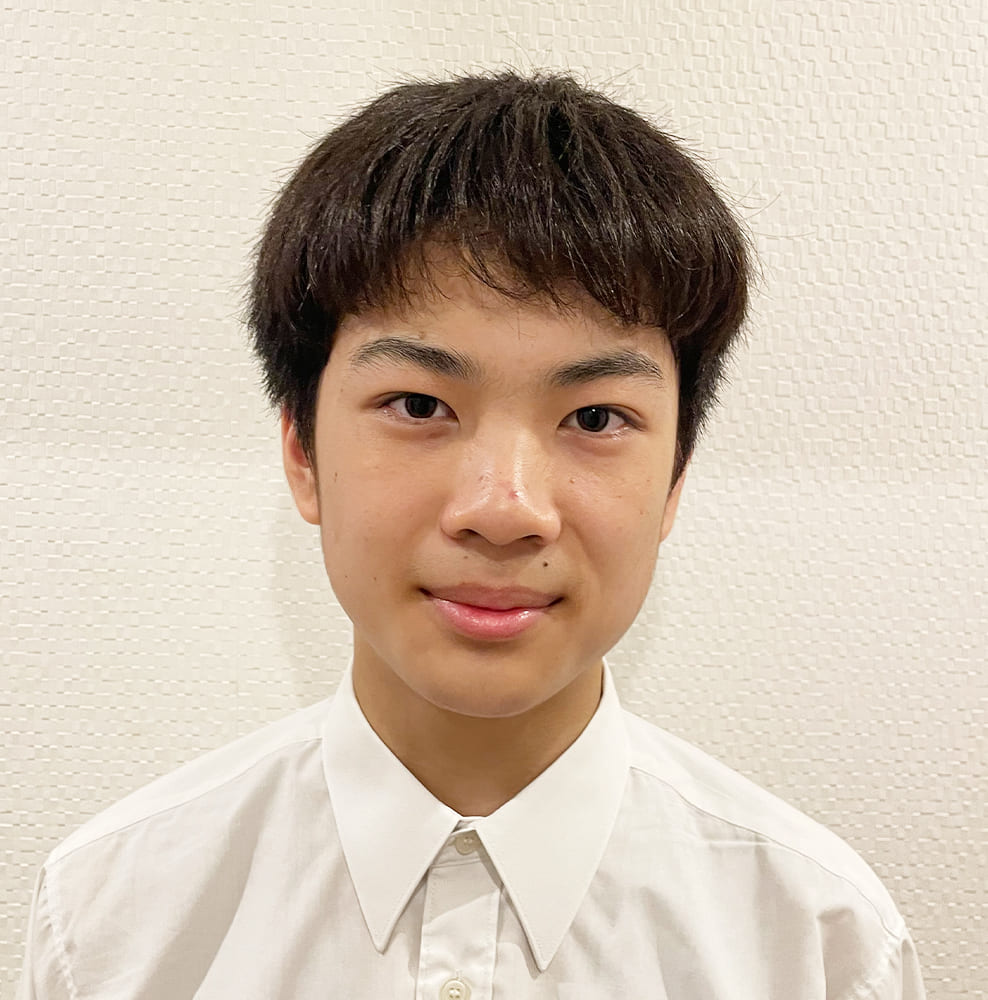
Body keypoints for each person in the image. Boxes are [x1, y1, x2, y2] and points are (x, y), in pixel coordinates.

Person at [18, 71, 925, 998]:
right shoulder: (110, 920)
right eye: (419, 405)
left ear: (675, 479)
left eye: (596, 417)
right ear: (301, 450)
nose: (504, 508)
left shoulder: (820, 942)